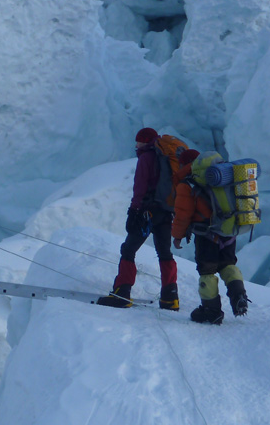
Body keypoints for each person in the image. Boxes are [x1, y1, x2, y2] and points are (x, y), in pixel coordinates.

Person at [97, 127, 178, 310]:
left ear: (144, 141)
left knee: (128, 249)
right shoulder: (166, 157)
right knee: (165, 253)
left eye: (138, 141)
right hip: (166, 212)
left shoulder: (146, 157)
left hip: (147, 212)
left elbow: (140, 186)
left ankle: (122, 294)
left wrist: (134, 210)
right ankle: (170, 298)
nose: (136, 144)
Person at [172, 150, 250, 325]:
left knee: (207, 272)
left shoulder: (188, 184)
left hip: (207, 235)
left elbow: (182, 214)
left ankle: (211, 310)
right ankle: (239, 297)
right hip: (228, 231)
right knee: (228, 265)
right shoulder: (223, 176)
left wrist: (177, 236)